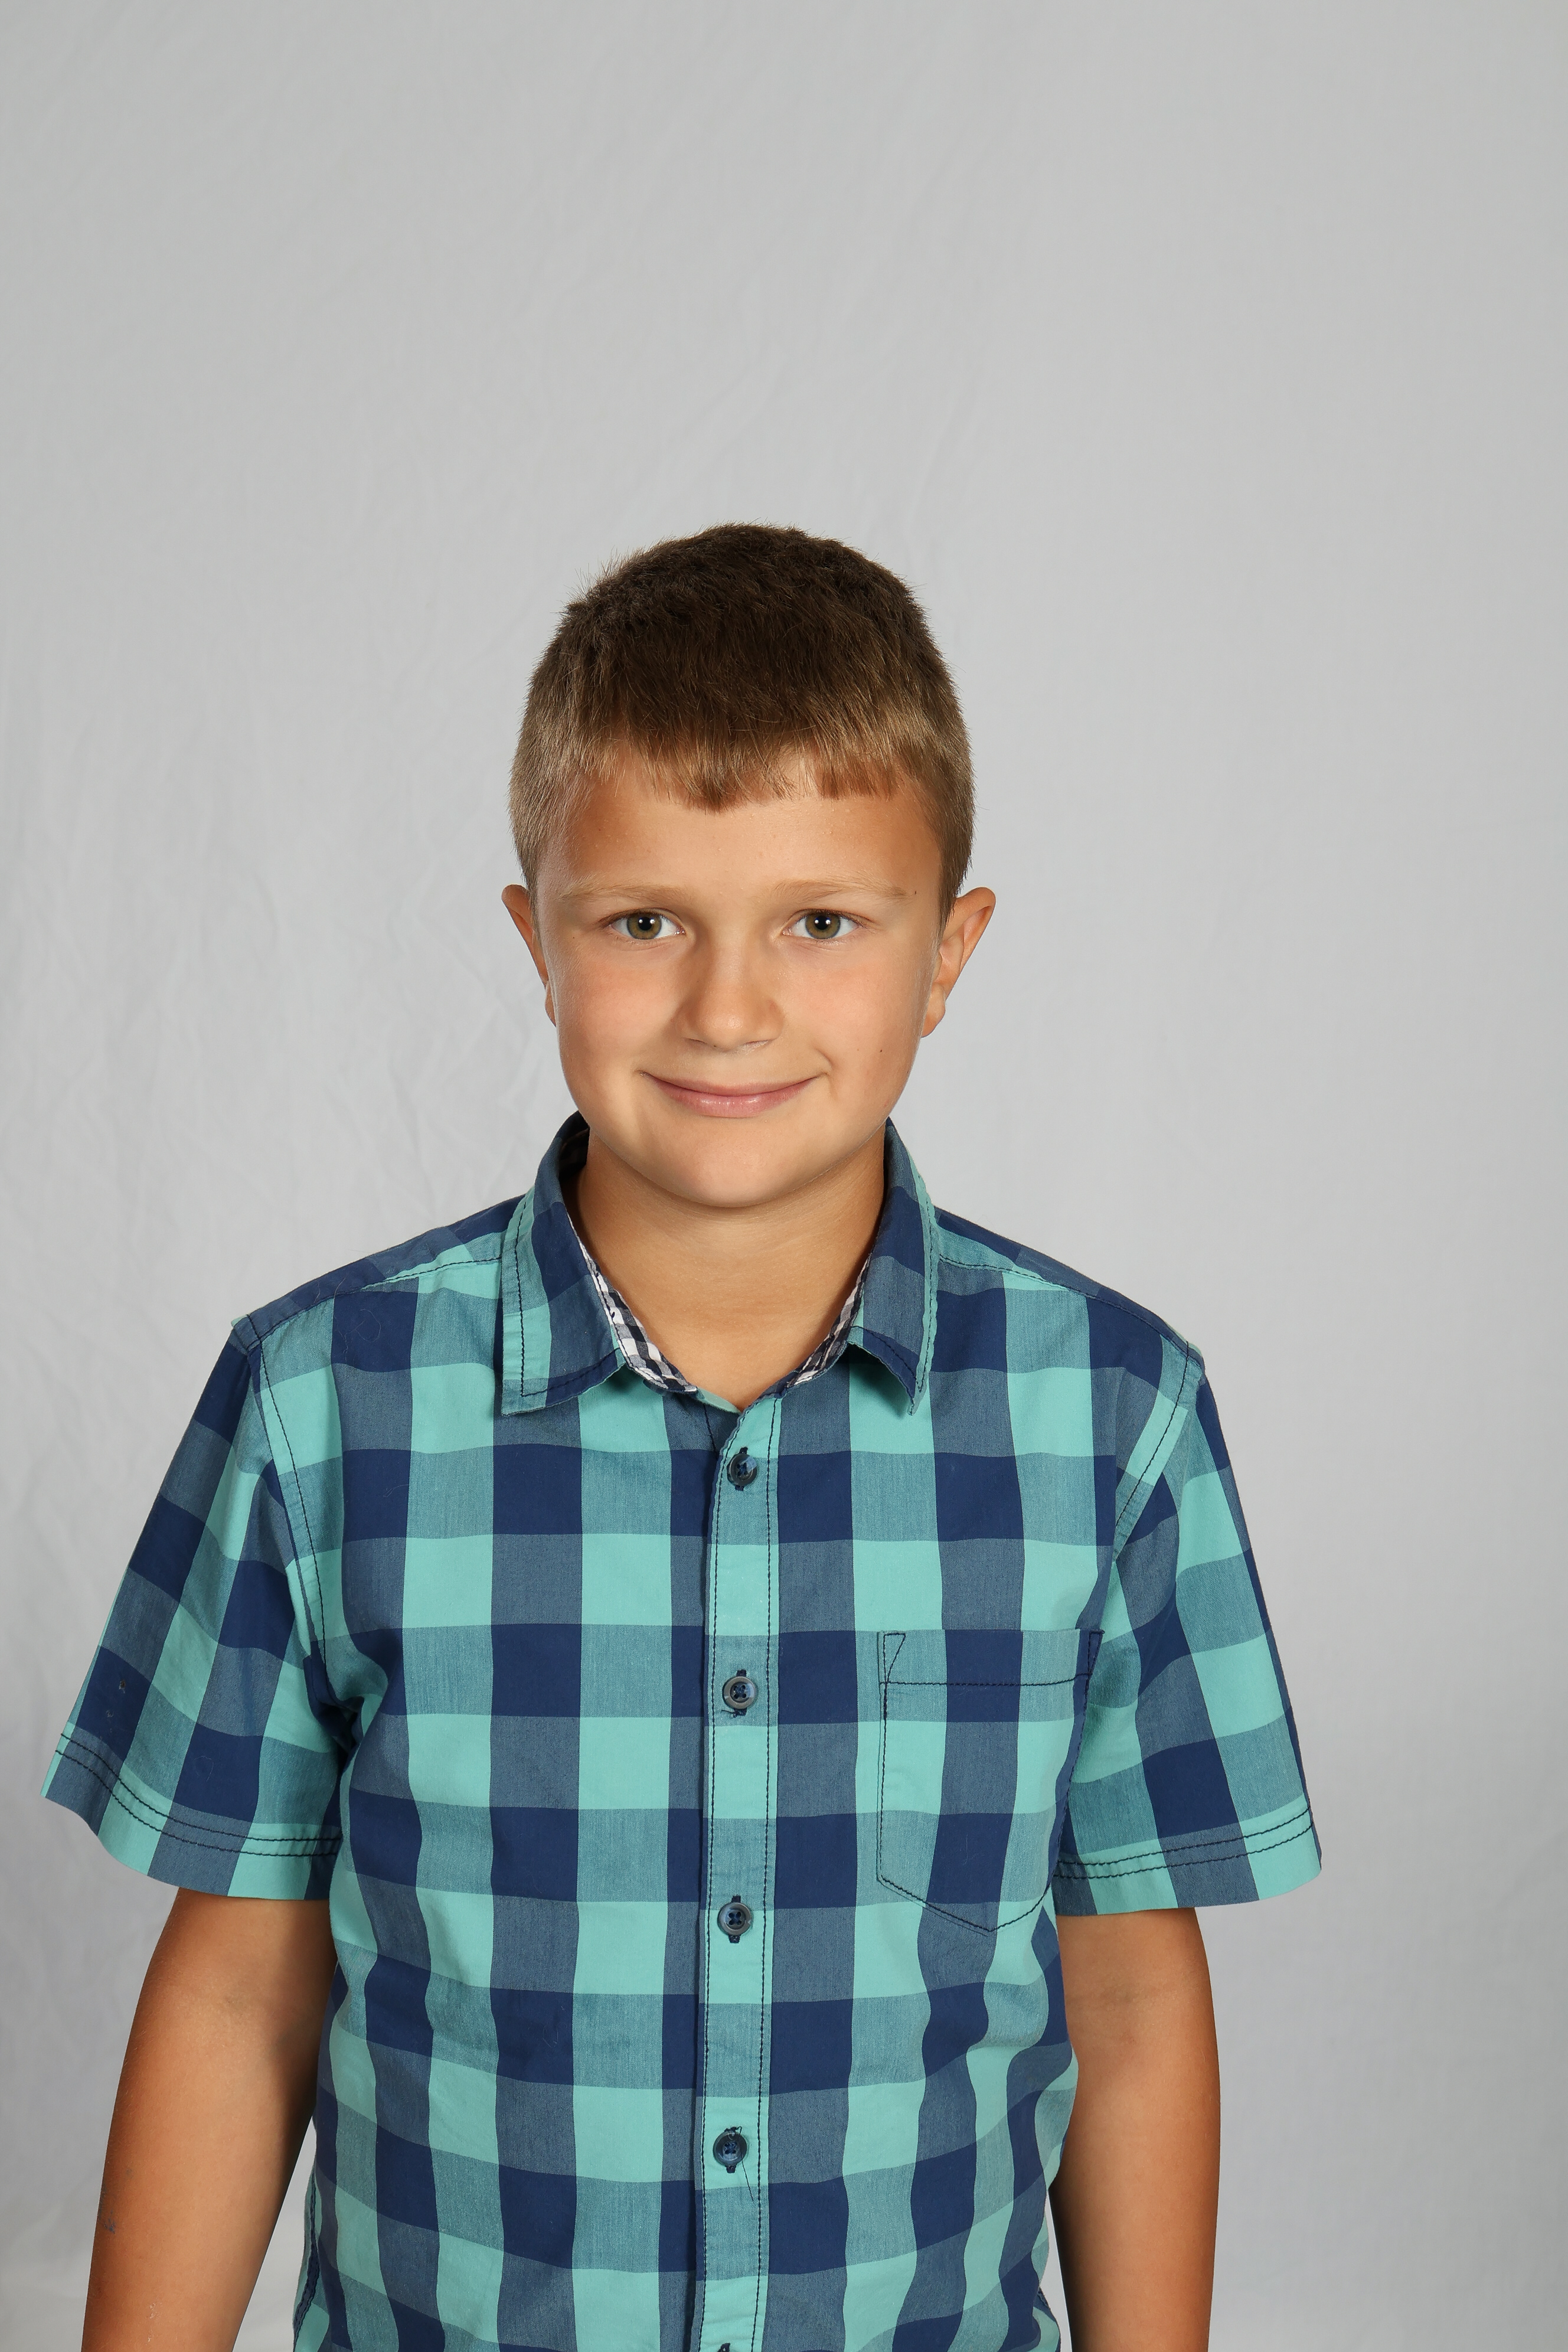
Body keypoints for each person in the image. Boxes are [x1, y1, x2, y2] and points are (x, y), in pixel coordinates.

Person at [45, 524, 1319, 2352]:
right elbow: (244, 1989)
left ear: (948, 952)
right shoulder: (319, 1405)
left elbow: (1124, 2004)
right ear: (536, 941)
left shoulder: (1115, 1420)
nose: (729, 1008)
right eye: (644, 922)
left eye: (823, 922)